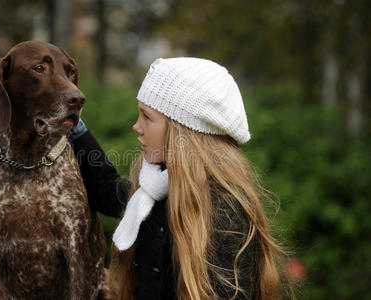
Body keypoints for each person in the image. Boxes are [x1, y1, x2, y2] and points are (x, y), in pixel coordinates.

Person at [68, 58, 286, 300]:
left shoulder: (227, 212)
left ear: (182, 131)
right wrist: (76, 129)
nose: (136, 126)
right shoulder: (154, 190)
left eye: (147, 117)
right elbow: (106, 189)